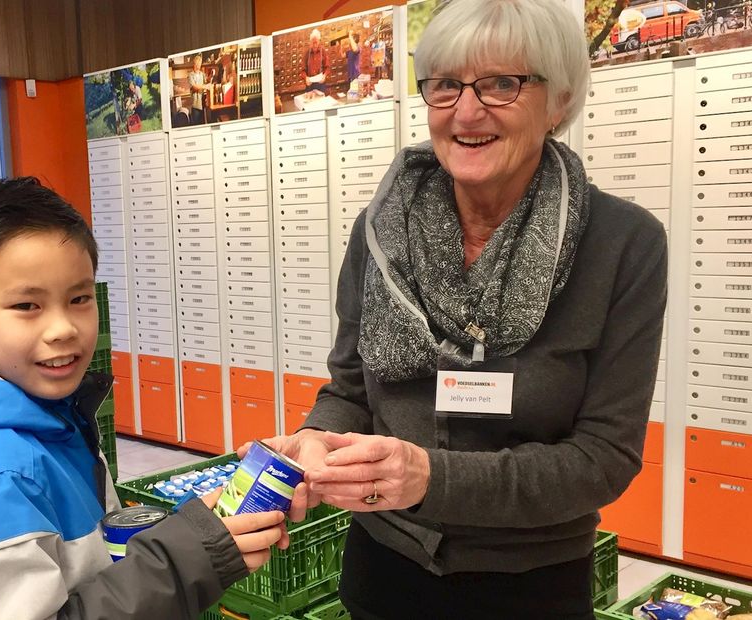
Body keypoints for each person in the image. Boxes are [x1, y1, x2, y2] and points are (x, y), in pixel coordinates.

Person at [256, 0, 667, 618]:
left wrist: (430, 478)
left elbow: (604, 459)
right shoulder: (380, 232)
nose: (467, 111)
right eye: (446, 84)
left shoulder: (623, 244)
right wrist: (315, 440)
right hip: (382, 569)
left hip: (530, 586)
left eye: (503, 83)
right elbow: (349, 391)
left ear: (558, 102)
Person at [0, 178, 289, 619]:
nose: (64, 328)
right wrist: (184, 559)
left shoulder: (48, 419)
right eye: (27, 306)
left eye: (79, 298)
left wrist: (185, 535)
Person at [301, 29, 328, 94]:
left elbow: (327, 67)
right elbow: (303, 70)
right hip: (310, 84)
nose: (315, 45)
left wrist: (324, 76)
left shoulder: (323, 52)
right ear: (310, 42)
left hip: (320, 83)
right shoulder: (307, 53)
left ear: (319, 41)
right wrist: (306, 78)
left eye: (316, 42)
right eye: (313, 43)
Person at [188, 55, 207, 124]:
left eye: (200, 63)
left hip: (203, 104)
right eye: (197, 63)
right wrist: (205, 86)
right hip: (195, 105)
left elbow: (206, 83)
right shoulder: (190, 75)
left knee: (203, 124)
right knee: (196, 125)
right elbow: (194, 87)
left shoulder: (202, 74)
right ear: (194, 64)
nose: (199, 65)